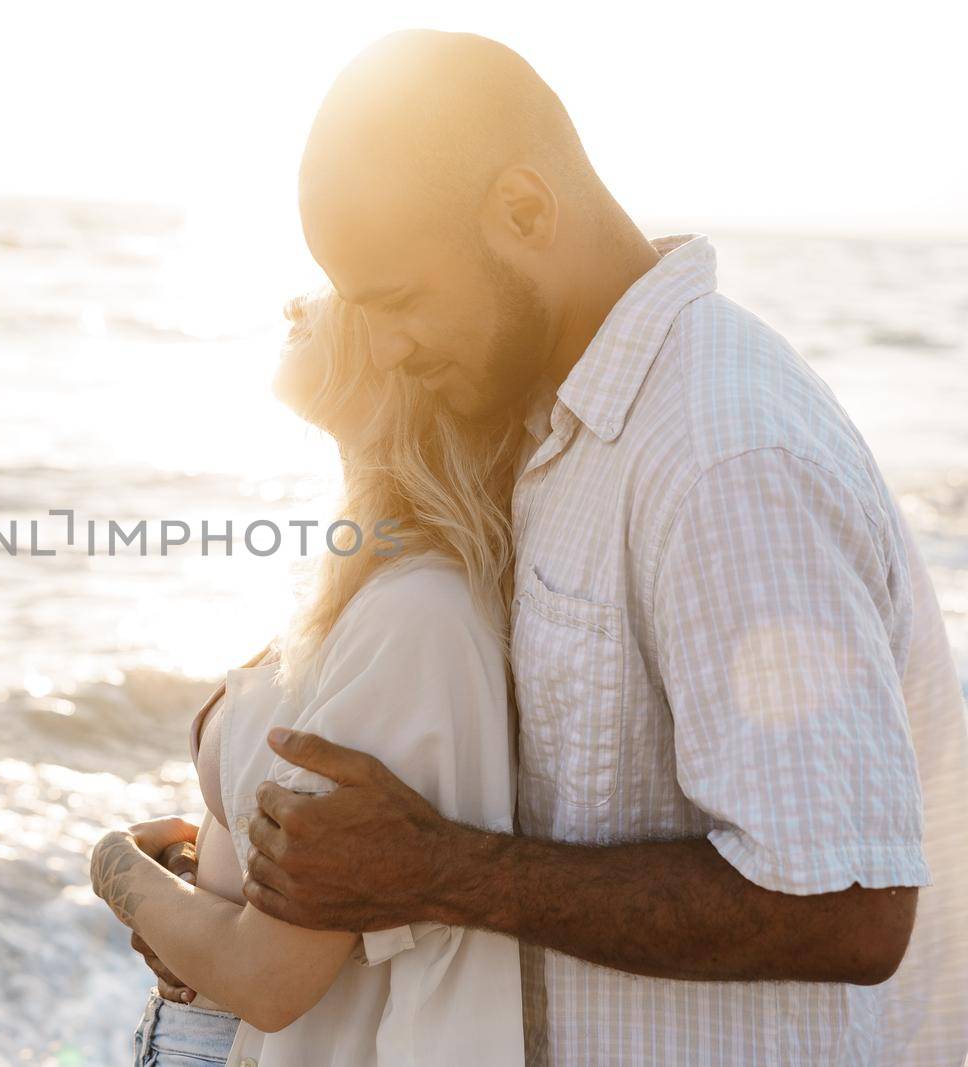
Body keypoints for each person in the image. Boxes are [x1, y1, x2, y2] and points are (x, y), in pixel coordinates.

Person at [130, 30, 968, 1065]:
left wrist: (438, 869)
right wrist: (246, 861)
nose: (383, 347)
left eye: (395, 301)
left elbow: (847, 906)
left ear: (524, 210)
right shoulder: (553, 424)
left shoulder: (722, 452)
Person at [91, 291, 527, 1065]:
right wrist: (191, 898)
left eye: (342, 283)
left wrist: (114, 864)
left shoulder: (417, 614)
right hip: (203, 1030)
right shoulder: (366, 578)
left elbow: (271, 978)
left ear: (412, 357)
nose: (297, 301)